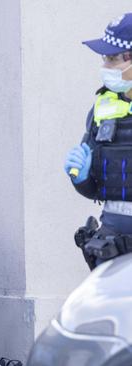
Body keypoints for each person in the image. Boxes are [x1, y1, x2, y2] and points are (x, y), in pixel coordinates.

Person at [63, 13, 132, 269]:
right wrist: (79, 178)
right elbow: (94, 189)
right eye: (105, 57)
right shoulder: (102, 110)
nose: (105, 65)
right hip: (111, 245)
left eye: (112, 58)